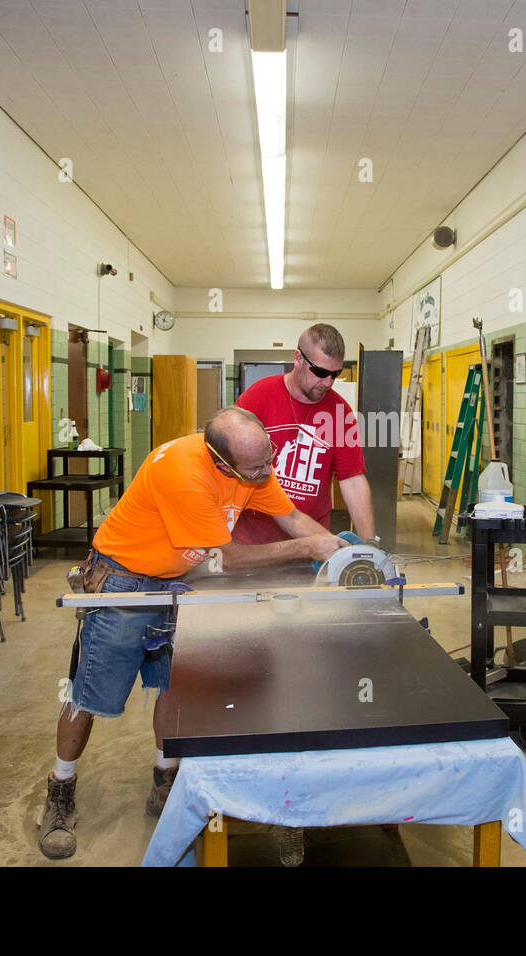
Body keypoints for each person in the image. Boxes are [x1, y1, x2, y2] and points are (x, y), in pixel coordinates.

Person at [38, 407, 347, 859]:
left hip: (178, 580)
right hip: (125, 579)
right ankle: (60, 789)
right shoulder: (183, 472)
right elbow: (225, 558)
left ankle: (164, 782)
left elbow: (293, 518)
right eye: (258, 466)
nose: (269, 471)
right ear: (221, 462)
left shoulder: (253, 466)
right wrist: (305, 548)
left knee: (173, 686)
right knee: (90, 694)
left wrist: (339, 554)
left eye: (270, 457)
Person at [232, 323, 375, 548]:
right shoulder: (257, 398)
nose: (328, 382)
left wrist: (369, 546)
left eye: (335, 374)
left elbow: (353, 481)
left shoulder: (340, 412)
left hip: (312, 543)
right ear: (298, 358)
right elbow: (227, 463)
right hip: (254, 542)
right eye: (320, 372)